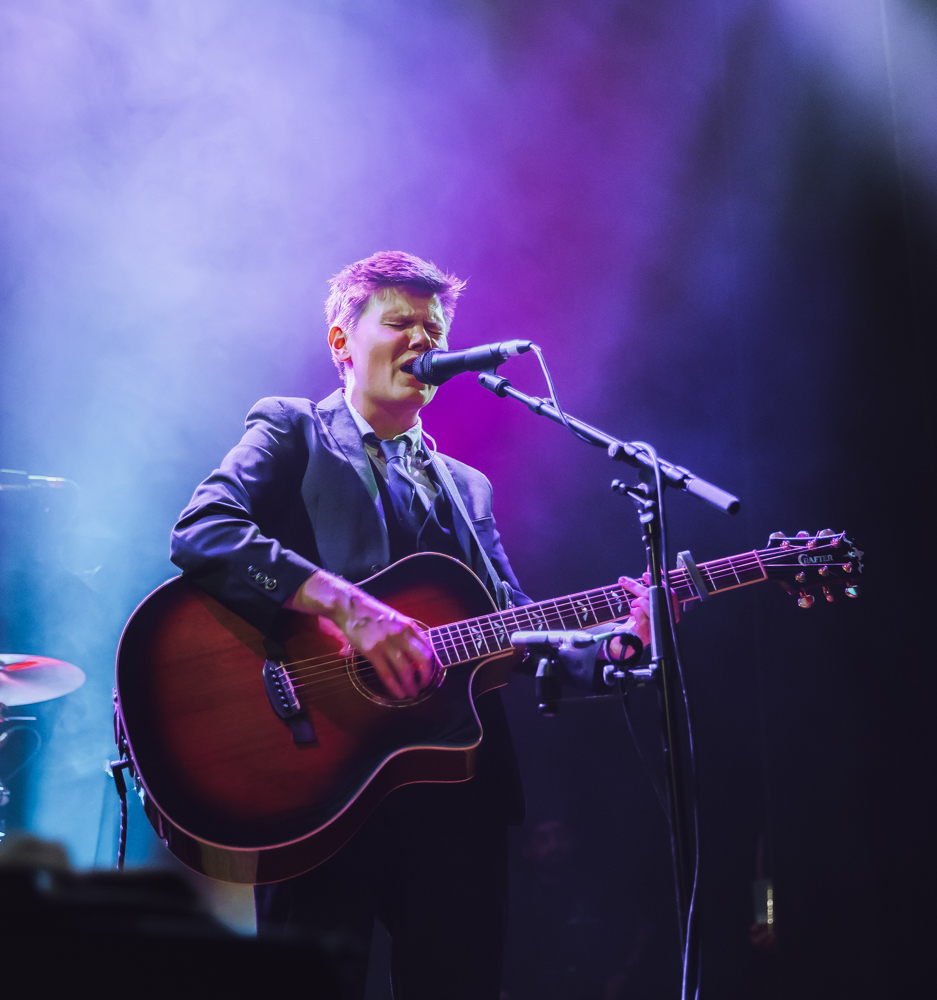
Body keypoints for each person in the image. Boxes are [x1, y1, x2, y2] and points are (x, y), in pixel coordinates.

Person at [170, 250, 650, 1000]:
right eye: (400, 323)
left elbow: (515, 632)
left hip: (456, 796)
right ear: (342, 342)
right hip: (317, 781)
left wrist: (616, 642)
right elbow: (204, 532)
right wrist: (347, 607)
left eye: (434, 329)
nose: (423, 340)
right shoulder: (292, 429)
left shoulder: (469, 488)